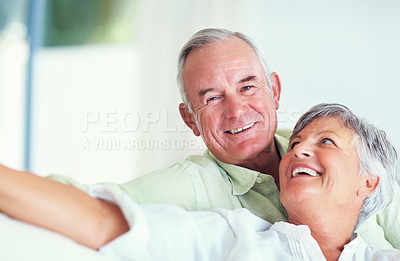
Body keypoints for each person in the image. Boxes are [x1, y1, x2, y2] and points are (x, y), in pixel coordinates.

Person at [1, 28, 400, 249]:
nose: (236, 111)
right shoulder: (215, 217)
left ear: (275, 90)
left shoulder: (351, 166)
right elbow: (94, 208)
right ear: (190, 119)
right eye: (211, 98)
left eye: (248, 87)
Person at [1, 103, 399, 261]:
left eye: (324, 141)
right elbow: (103, 220)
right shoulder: (234, 236)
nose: (297, 151)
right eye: (294, 143)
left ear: (368, 182)